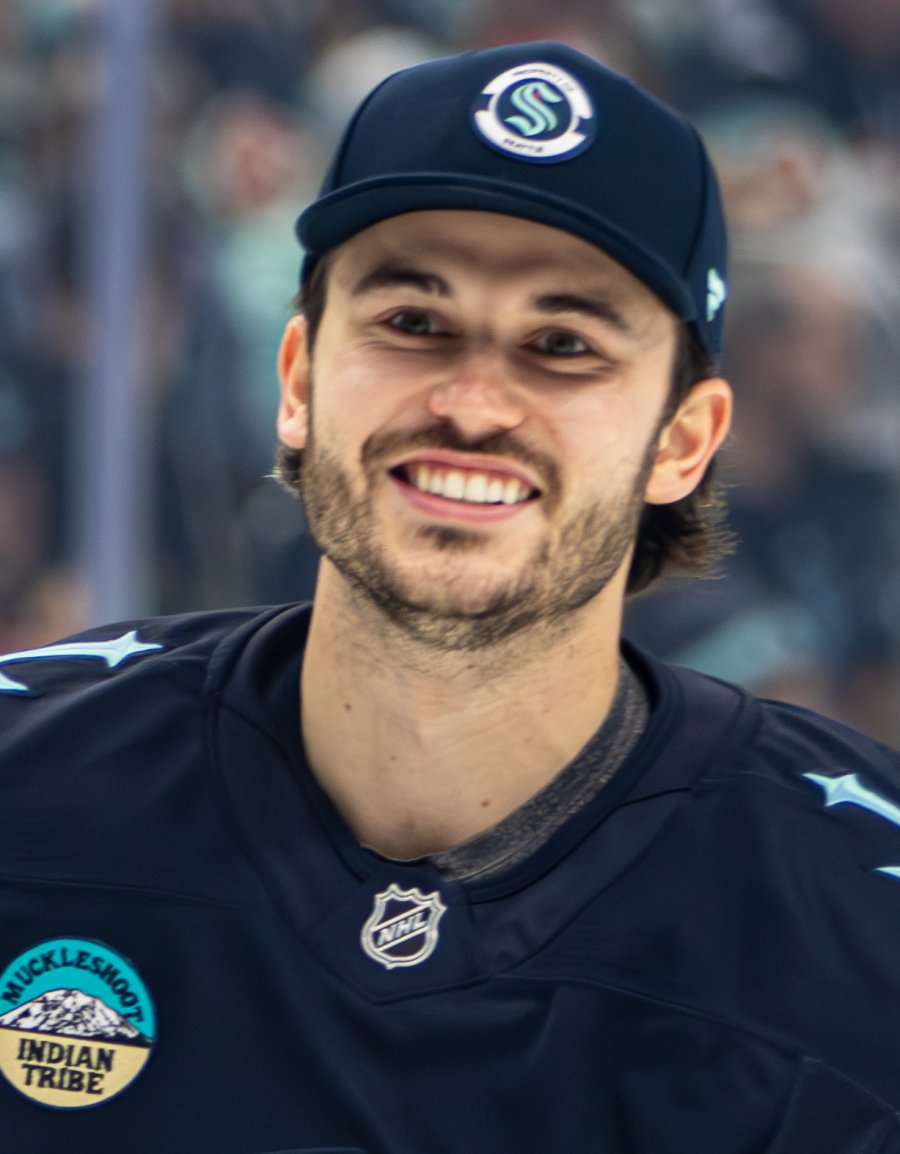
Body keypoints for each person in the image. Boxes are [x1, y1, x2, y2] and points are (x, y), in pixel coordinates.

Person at [0, 41, 898, 1154]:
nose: (473, 403)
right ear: (298, 379)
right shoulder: (25, 777)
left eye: (563, 344)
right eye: (412, 323)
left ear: (684, 441)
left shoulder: (867, 920)